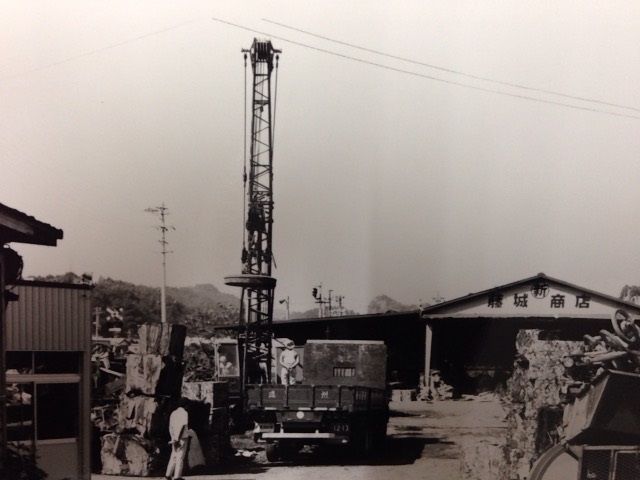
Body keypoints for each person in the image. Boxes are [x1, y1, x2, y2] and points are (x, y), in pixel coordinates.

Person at [165, 398, 189, 480]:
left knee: (174, 456)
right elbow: (182, 426)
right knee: (180, 456)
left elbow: (171, 427)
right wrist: (178, 438)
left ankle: (168, 474)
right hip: (182, 437)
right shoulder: (184, 413)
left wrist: (173, 437)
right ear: (186, 405)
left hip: (174, 436)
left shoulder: (173, 413)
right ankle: (177, 476)